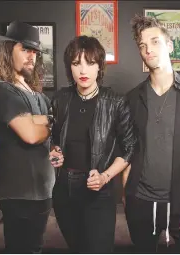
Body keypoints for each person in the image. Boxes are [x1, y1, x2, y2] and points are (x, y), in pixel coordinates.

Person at [123, 15, 180, 253]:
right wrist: (128, 196)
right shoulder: (132, 99)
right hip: (142, 202)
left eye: (155, 42)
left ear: (170, 45)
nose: (148, 50)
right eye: (142, 46)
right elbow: (127, 150)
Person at [49, 35, 137, 253]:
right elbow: (51, 139)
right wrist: (53, 151)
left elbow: (129, 149)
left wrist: (105, 176)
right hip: (64, 190)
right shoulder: (60, 99)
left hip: (99, 190)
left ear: (99, 67)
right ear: (70, 67)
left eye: (90, 63)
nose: (83, 70)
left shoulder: (116, 102)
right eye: (76, 63)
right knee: (77, 249)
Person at [0, 21, 55, 254]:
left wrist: (50, 140)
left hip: (43, 190)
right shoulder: (3, 89)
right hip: (18, 192)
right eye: (24, 49)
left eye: (34, 51)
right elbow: (29, 134)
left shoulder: (35, 92)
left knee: (34, 248)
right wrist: (51, 121)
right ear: (8, 50)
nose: (31, 57)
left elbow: (44, 135)